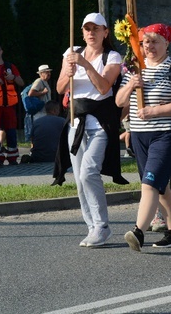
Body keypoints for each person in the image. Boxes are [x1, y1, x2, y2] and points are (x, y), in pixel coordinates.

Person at [117, 23, 171, 251]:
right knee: (159, 186)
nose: (150, 46)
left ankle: (138, 231)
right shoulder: (133, 69)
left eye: (155, 41)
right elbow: (119, 102)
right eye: (145, 42)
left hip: (166, 133)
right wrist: (130, 85)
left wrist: (155, 111)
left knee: (149, 182)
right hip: (139, 134)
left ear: (167, 43)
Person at [56, 13, 124, 248]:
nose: (90, 33)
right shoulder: (71, 52)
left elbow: (105, 87)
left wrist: (85, 64)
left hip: (100, 124)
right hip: (76, 122)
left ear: (106, 32)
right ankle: (92, 226)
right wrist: (69, 73)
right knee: (79, 179)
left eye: (96, 29)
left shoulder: (112, 56)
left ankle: (102, 226)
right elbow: (59, 87)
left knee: (89, 173)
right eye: (87, 29)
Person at [24, 65, 52, 141]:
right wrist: (43, 92)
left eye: (49, 72)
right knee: (39, 132)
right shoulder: (39, 81)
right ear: (41, 73)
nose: (49, 74)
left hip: (43, 111)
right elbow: (31, 93)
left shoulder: (45, 82)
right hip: (39, 111)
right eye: (47, 72)